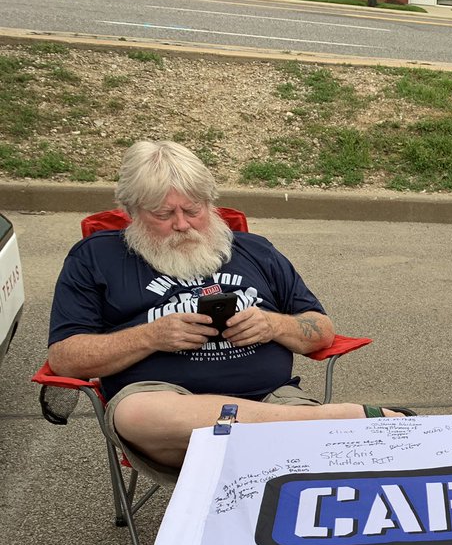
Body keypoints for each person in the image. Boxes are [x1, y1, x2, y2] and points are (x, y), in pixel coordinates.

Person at [48, 140, 407, 483]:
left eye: (193, 210)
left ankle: (306, 426)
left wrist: (272, 325)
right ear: (129, 211)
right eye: (163, 214)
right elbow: (65, 358)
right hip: (168, 413)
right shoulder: (96, 257)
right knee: (135, 413)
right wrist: (151, 336)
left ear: (210, 202)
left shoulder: (255, 250)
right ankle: (326, 423)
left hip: (271, 397)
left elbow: (321, 330)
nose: (182, 224)